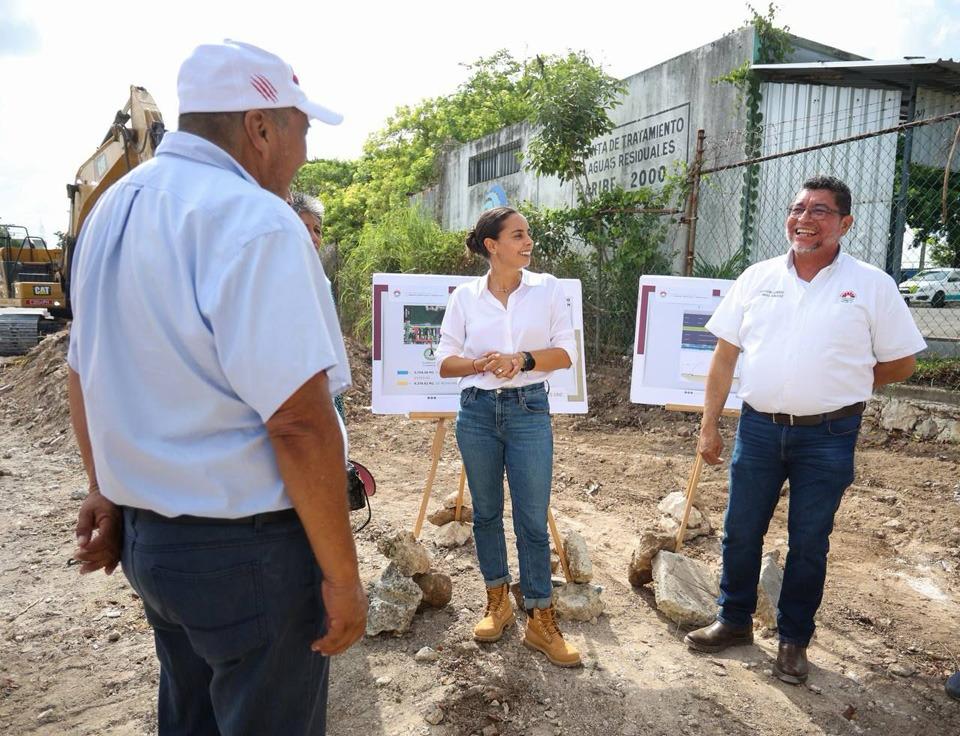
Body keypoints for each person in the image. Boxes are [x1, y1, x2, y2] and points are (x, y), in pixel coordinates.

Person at [68, 40, 366, 735]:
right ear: (260, 128)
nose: (304, 151)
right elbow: (297, 423)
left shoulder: (110, 212)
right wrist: (344, 580)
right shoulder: (256, 220)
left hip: (154, 549)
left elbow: (83, 371)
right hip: (248, 555)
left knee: (191, 715)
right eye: (300, 129)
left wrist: (102, 490)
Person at [684, 175, 926, 685]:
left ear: (845, 223)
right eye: (798, 208)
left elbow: (901, 362)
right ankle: (732, 621)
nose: (805, 219)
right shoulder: (757, 277)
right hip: (759, 430)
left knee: (809, 541)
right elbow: (724, 356)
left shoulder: (872, 285)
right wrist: (708, 424)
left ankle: (794, 640)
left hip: (829, 436)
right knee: (740, 531)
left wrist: (852, 382)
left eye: (820, 210)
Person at [435, 206, 581, 668]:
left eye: (529, 235)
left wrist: (522, 359)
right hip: (476, 411)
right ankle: (497, 600)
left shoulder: (548, 288)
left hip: (529, 409)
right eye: (518, 235)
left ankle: (540, 616)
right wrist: (481, 363)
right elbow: (445, 362)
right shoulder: (464, 296)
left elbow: (565, 354)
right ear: (492, 245)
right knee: (486, 514)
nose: (528, 242)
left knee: (532, 519)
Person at [290, 190, 346, 422]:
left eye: (318, 230)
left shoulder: (322, 281)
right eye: (305, 227)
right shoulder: (272, 276)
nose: (314, 237)